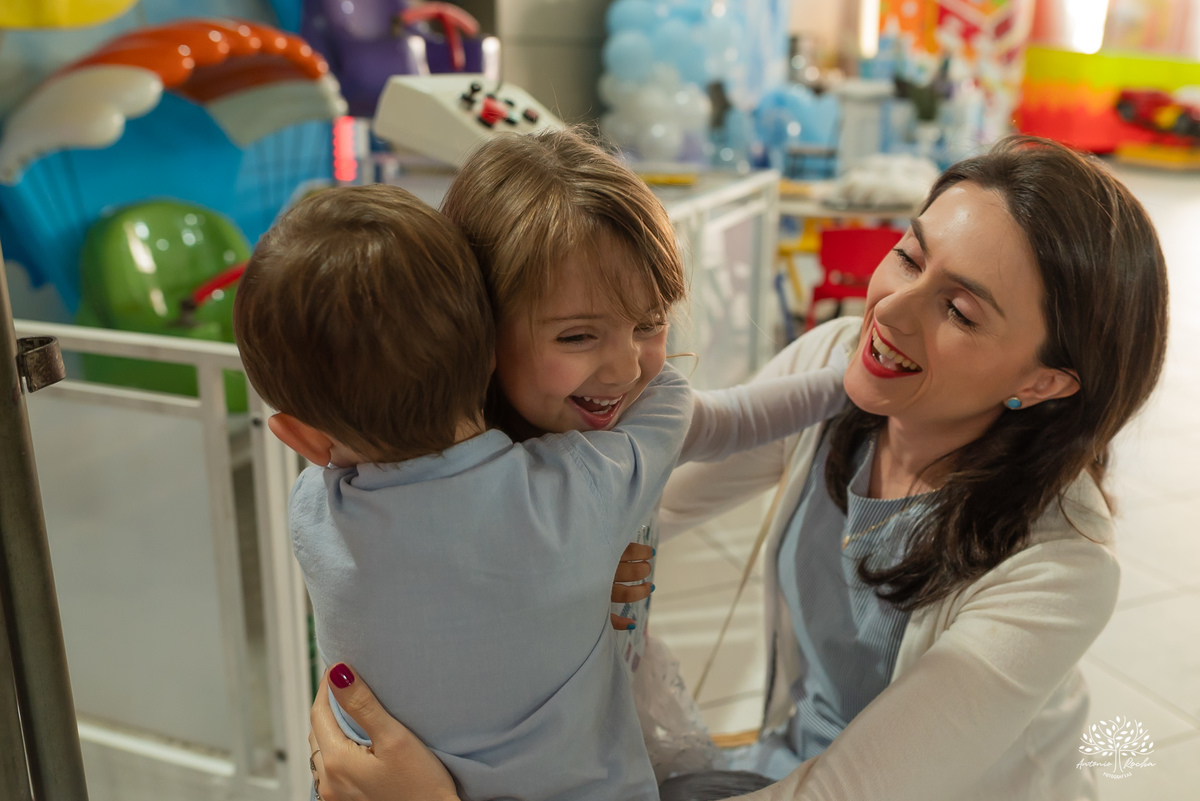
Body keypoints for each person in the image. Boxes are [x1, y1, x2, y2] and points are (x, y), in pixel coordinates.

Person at [304, 135, 1170, 801]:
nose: (893, 309)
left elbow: (849, 790)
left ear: (1043, 379)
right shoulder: (846, 363)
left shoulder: (1059, 570)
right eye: (909, 255)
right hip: (788, 762)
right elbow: (649, 498)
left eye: (960, 310)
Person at [235, 171, 846, 799]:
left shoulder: (314, 507)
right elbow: (679, 410)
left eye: (650, 323)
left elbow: (734, 418)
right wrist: (845, 377)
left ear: (299, 438)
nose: (627, 366)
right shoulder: (584, 487)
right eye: (578, 334)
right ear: (491, 343)